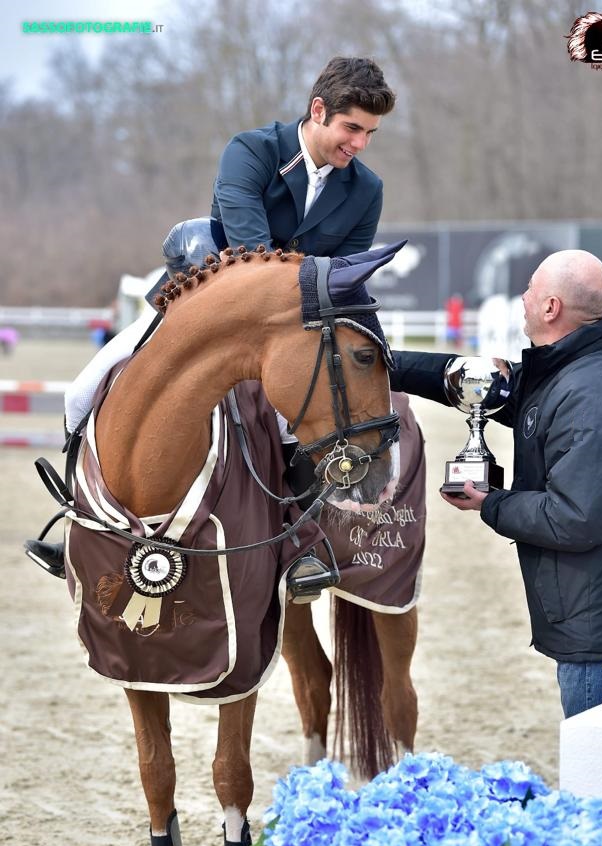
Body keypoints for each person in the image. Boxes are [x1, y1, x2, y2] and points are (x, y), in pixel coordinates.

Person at [25, 56, 398, 582]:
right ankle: (80, 527)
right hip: (203, 311)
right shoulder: (252, 151)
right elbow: (251, 257)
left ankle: (301, 547)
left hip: (296, 330)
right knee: (81, 390)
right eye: (351, 128)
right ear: (318, 110)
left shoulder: (366, 190)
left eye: (370, 133)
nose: (359, 144)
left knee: (310, 427)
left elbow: (346, 275)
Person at [443, 249, 602, 719]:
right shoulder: (570, 370)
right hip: (588, 621)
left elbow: (574, 519)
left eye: (531, 287)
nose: (522, 296)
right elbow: (477, 382)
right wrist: (385, 363)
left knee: (598, 783)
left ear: (550, 307)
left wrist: (491, 503)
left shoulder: (596, 396)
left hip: (596, 641)